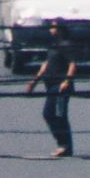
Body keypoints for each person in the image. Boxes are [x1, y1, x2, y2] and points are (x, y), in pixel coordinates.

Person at [27, 22, 77, 159]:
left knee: (58, 115)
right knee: (50, 114)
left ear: (60, 29)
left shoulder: (67, 45)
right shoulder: (53, 45)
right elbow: (46, 64)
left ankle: (65, 145)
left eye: (53, 26)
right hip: (51, 87)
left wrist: (67, 81)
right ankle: (63, 144)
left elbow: (72, 64)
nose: (51, 29)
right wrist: (34, 81)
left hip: (60, 88)